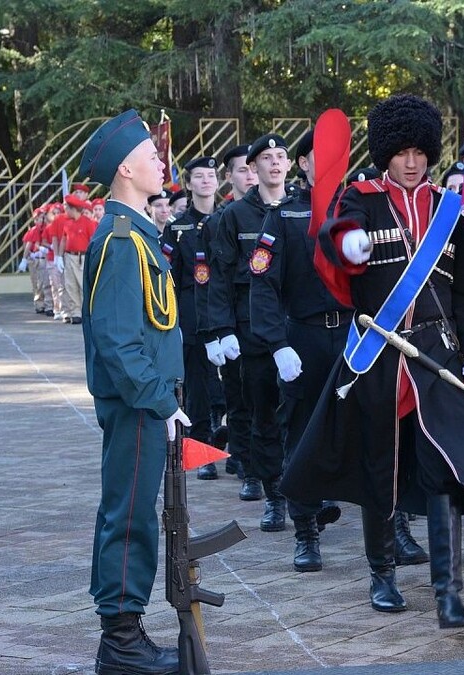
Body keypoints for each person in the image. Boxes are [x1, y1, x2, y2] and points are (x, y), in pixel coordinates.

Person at [281, 94, 464, 627]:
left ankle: (449, 589)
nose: (413, 161)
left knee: (447, 467)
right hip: (379, 352)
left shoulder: (452, 208)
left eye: (421, 150)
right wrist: (347, 243)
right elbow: (336, 232)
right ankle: (382, 574)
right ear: (384, 153)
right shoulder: (363, 197)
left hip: (437, 355)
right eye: (402, 151)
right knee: (382, 468)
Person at [79, 109, 187, 675]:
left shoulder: (139, 236)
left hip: (144, 401)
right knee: (131, 516)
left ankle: (124, 633)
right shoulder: (123, 242)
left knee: (135, 511)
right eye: (152, 156)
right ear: (126, 168)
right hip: (138, 404)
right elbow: (119, 340)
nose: (161, 162)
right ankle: (121, 641)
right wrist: (161, 400)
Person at [248, 129, 346, 572]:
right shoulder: (285, 217)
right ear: (303, 165)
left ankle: (393, 528)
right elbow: (263, 284)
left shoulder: (355, 207)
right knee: (303, 431)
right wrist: (278, 344)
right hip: (305, 337)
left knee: (369, 429)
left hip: (352, 333)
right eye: (316, 158)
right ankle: (305, 532)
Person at [207, 134, 297, 533]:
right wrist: (221, 330)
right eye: (266, 158)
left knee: (301, 413)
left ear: (289, 166)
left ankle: (308, 491)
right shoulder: (234, 216)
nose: (274, 163)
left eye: (281, 157)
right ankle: (275, 495)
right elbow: (220, 278)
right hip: (252, 329)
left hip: (297, 326)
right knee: (263, 413)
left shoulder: (302, 208)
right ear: (252, 169)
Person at [197, 145, 261, 497]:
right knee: (239, 398)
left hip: (269, 319)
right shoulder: (220, 220)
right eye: (242, 170)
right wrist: (216, 330)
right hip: (238, 320)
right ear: (230, 176)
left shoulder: (275, 212)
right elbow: (212, 281)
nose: (250, 176)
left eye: (252, 169)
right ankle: (248, 465)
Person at [160, 156, 223, 480]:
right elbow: (167, 277)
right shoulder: (178, 226)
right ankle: (201, 452)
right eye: (199, 176)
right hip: (192, 316)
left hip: (226, 312)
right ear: (189, 183)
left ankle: (238, 452)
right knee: (198, 390)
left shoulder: (229, 217)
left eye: (210, 176)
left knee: (231, 388)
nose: (206, 181)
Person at [59, 195, 96, 325]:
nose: (65, 210)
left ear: (73, 209)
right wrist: (59, 256)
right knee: (70, 285)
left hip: (83, 257)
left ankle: (86, 312)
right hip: (69, 256)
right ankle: (75, 313)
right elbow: (64, 239)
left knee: (82, 285)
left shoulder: (87, 222)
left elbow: (93, 240)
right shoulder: (67, 223)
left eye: (66, 207)